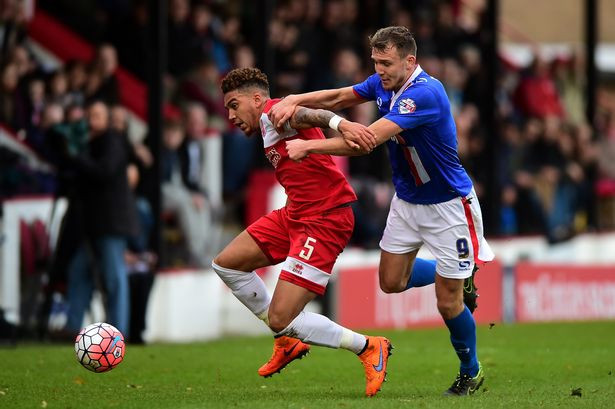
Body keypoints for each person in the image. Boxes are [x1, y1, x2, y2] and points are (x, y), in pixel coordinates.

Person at [269, 26, 494, 396]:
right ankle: (456, 273)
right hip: (407, 202)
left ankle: (471, 371)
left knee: (448, 301)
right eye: (375, 61)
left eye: (386, 63)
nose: (380, 70)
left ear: (410, 61)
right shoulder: (383, 84)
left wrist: (309, 148)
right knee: (390, 282)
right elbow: (341, 96)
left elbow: (367, 141)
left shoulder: (423, 94)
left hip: (449, 206)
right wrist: (295, 98)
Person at [214, 67, 391, 397]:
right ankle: (285, 338)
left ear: (256, 99)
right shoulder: (268, 123)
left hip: (325, 218)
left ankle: (368, 347)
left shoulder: (273, 113)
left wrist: (342, 123)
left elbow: (314, 114)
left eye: (234, 105)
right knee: (226, 264)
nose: (230, 115)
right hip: (295, 213)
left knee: (281, 315)